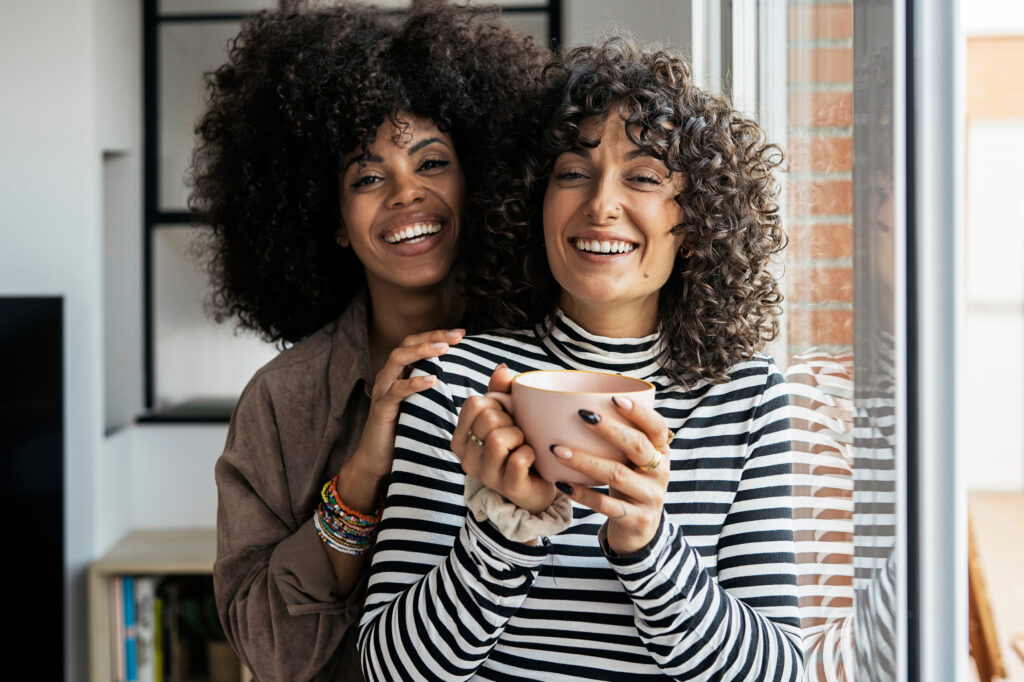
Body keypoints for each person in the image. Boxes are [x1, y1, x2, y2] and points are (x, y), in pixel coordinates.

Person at [358, 37, 803, 680]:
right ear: (533, 200)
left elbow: (777, 671)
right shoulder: (453, 380)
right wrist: (499, 537)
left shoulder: (748, 398)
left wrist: (648, 546)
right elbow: (387, 669)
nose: (600, 204)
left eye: (645, 177)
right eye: (573, 172)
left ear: (698, 218)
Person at [189, 1, 546, 679]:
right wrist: (358, 479)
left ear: (479, 181)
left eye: (432, 162)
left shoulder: (548, 369)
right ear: (330, 220)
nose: (407, 194)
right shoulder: (281, 403)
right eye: (368, 177)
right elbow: (269, 651)